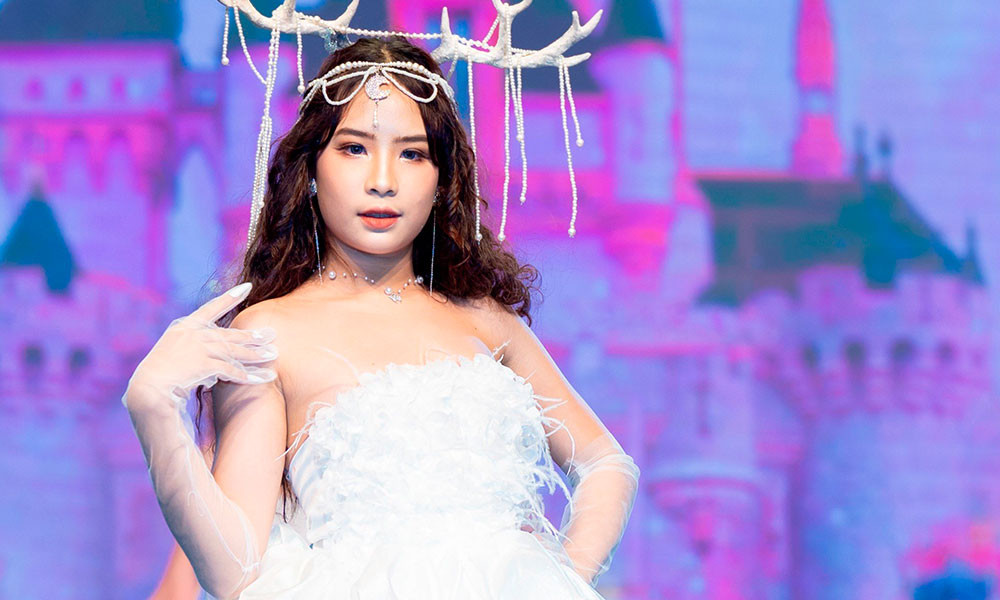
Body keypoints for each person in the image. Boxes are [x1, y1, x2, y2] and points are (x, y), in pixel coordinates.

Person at [123, 36, 640, 599]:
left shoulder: (485, 320)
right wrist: (154, 410)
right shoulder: (269, 334)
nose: (383, 180)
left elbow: (606, 463)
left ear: (442, 180)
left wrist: (560, 579)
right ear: (311, 167)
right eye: (354, 148)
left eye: (412, 154)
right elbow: (236, 571)